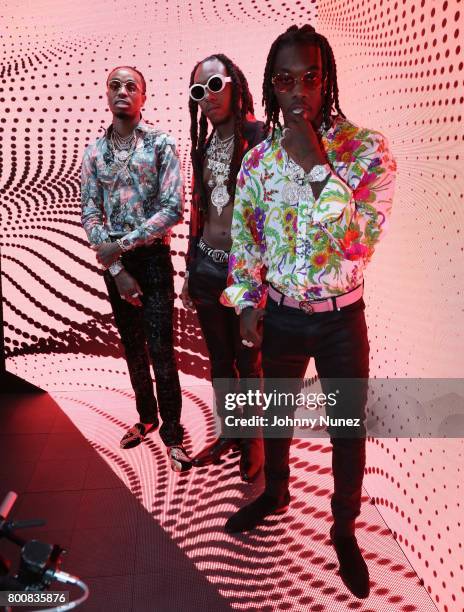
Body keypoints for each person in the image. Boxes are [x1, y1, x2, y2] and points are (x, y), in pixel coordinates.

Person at [220, 25, 396, 599]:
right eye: (286, 80)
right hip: (283, 314)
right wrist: (247, 302)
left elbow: (357, 245)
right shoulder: (257, 162)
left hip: (342, 318)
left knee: (346, 429)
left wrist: (319, 166)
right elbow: (244, 239)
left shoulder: (368, 151)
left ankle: (343, 528)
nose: (300, 92)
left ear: (328, 82)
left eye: (312, 78)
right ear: (271, 87)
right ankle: (275, 492)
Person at [80, 65, 191, 472]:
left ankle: (174, 434)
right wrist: (114, 264)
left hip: (153, 262)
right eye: (115, 85)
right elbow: (90, 211)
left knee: (162, 351)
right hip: (115, 266)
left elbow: (173, 209)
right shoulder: (93, 153)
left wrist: (120, 246)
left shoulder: (161, 144)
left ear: (144, 97)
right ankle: (146, 418)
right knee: (132, 348)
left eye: (131, 86)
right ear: (106, 95)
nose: (122, 91)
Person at [181, 54, 266, 481]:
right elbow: (198, 212)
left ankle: (254, 444)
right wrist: (189, 268)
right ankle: (230, 433)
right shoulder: (202, 146)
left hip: (246, 274)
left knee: (248, 363)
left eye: (214, 85)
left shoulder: (261, 137)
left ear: (235, 84)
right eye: (199, 92)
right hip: (207, 271)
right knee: (219, 362)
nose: (207, 98)